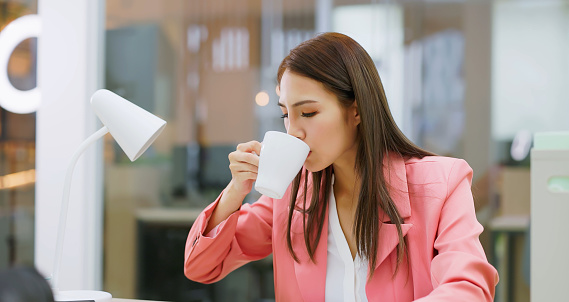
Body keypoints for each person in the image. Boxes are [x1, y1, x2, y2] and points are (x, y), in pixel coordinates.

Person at [184, 32, 498, 301]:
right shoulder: (291, 194)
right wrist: (236, 190)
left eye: (307, 113)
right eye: (285, 116)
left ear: (356, 110)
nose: (294, 132)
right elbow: (201, 266)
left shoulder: (441, 183)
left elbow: (468, 288)